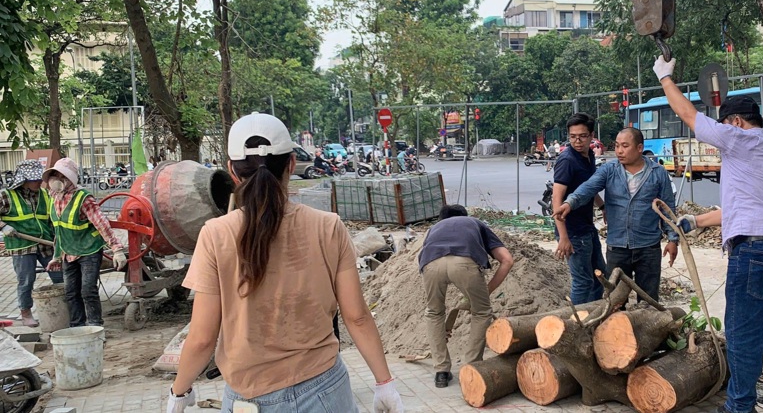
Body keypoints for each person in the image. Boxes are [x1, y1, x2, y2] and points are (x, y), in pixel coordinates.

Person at [167, 113, 402, 413]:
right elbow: (356, 317)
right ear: (291, 164)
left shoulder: (215, 235)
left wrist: (179, 392)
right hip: (326, 392)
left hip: (247, 401)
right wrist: (385, 383)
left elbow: (201, 339)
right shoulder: (328, 226)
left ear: (232, 171)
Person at [654, 56, 763, 413]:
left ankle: (739, 406)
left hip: (755, 251)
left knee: (742, 331)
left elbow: (690, 117)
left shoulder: (740, 140)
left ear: (735, 123)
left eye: (726, 128)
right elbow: (749, 208)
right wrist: (696, 222)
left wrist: (665, 78)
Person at [555, 128, 678, 302]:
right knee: (614, 301)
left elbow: (668, 209)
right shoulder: (609, 170)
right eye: (617, 146)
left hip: (648, 247)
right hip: (618, 247)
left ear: (639, 148)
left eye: (625, 146)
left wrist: (673, 240)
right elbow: (587, 189)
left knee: (649, 300)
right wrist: (570, 203)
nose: (619, 151)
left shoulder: (658, 173)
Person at [419, 204, 514, 389]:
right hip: (465, 263)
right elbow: (507, 260)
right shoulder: (475, 223)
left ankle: (441, 372)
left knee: (434, 313)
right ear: (465, 216)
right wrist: (486, 292)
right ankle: (471, 365)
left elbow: (423, 253)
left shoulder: (434, 229)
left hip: (431, 264)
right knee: (481, 312)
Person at [43, 158, 126, 328]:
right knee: (71, 292)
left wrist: (117, 249)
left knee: (88, 290)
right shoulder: (54, 198)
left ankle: (95, 326)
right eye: (54, 175)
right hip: (68, 251)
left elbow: (102, 224)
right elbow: (59, 230)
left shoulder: (83, 198)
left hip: (88, 250)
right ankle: (77, 327)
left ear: (70, 179)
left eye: (61, 175)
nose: (57, 179)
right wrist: (57, 256)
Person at [0, 159, 63, 327]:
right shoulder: (7, 196)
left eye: (39, 179)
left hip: (46, 244)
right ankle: (25, 312)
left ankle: (67, 308)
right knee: (26, 279)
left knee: (60, 277)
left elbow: (53, 218)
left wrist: (58, 237)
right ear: (23, 179)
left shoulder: (45, 194)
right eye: (34, 179)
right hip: (21, 245)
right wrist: (3, 226)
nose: (38, 182)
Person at [551, 112, 606, 304]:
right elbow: (556, 200)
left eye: (582, 136)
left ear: (591, 136)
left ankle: (594, 316)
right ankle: (577, 325)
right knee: (583, 281)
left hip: (587, 227)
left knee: (600, 276)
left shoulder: (589, 155)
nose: (577, 141)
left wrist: (603, 206)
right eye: (573, 136)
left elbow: (588, 188)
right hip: (572, 232)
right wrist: (564, 237)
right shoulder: (567, 161)